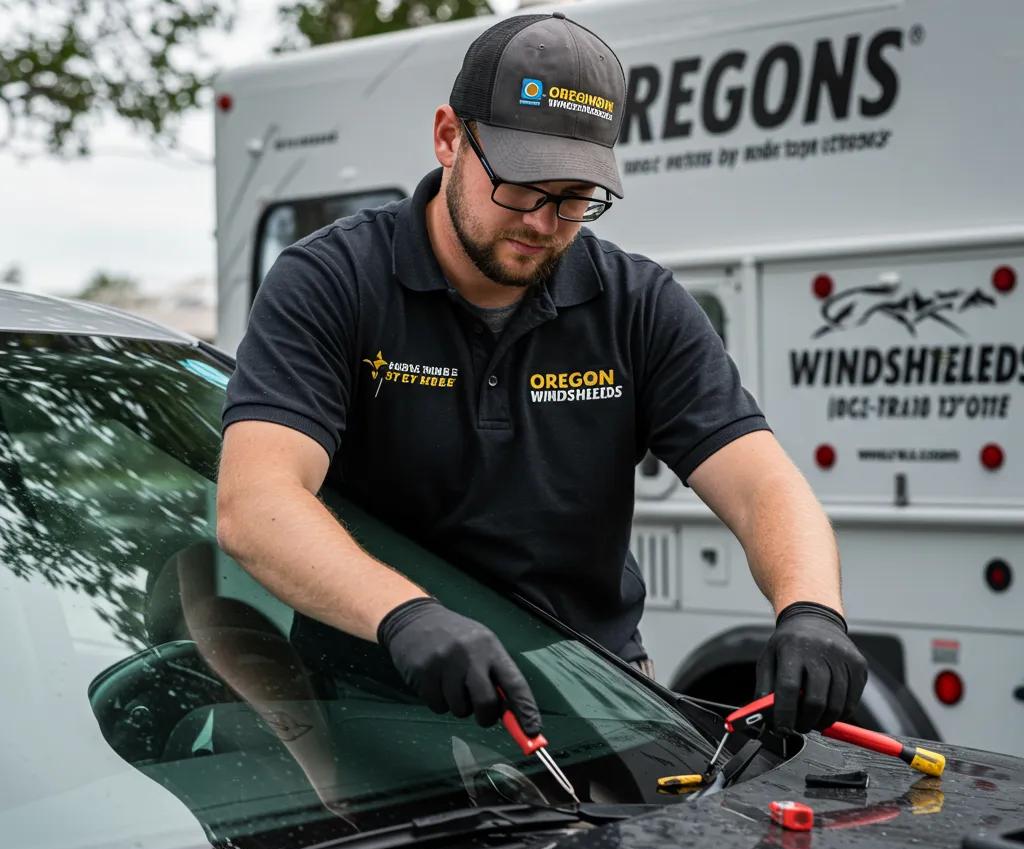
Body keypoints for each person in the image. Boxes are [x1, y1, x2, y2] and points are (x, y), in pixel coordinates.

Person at [218, 12, 866, 740]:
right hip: (375, 709)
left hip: (591, 704)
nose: (544, 222)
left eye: (575, 198)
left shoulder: (637, 305)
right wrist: (405, 615)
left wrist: (810, 608)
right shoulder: (332, 282)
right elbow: (257, 500)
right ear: (449, 138)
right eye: (523, 185)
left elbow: (761, 485)